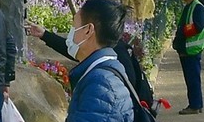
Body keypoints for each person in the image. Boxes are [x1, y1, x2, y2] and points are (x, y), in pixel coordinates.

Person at [25, 20, 155, 113]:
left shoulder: (104, 76)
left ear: (89, 31)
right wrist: (44, 35)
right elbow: (73, 51)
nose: (72, 32)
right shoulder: (106, 52)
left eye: (76, 26)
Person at [172, 0, 204, 115]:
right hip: (187, 48)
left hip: (191, 49)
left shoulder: (197, 7)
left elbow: (198, 26)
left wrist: (182, 32)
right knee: (191, 78)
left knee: (193, 78)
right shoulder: (190, 5)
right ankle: (195, 104)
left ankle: (195, 105)